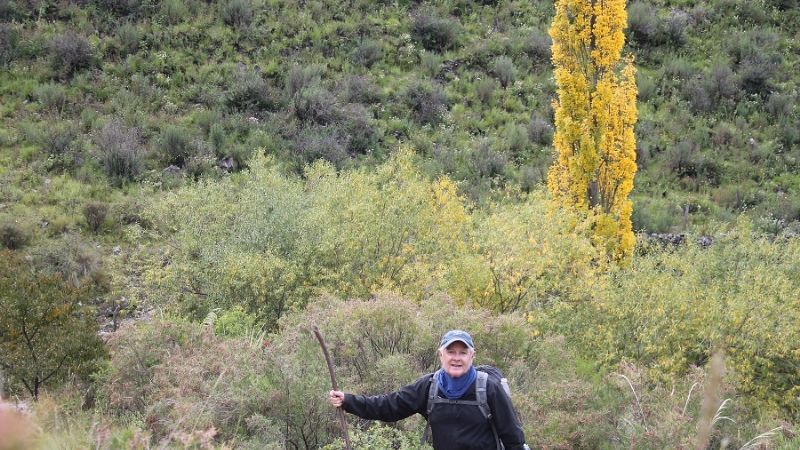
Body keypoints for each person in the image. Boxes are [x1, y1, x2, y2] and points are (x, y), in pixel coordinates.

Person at [328, 329, 529, 450]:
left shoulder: (488, 388)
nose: (456, 358)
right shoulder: (429, 387)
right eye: (450, 351)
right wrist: (348, 401)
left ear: (472, 356)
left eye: (462, 352)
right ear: (441, 354)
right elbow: (389, 406)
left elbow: (513, 437)